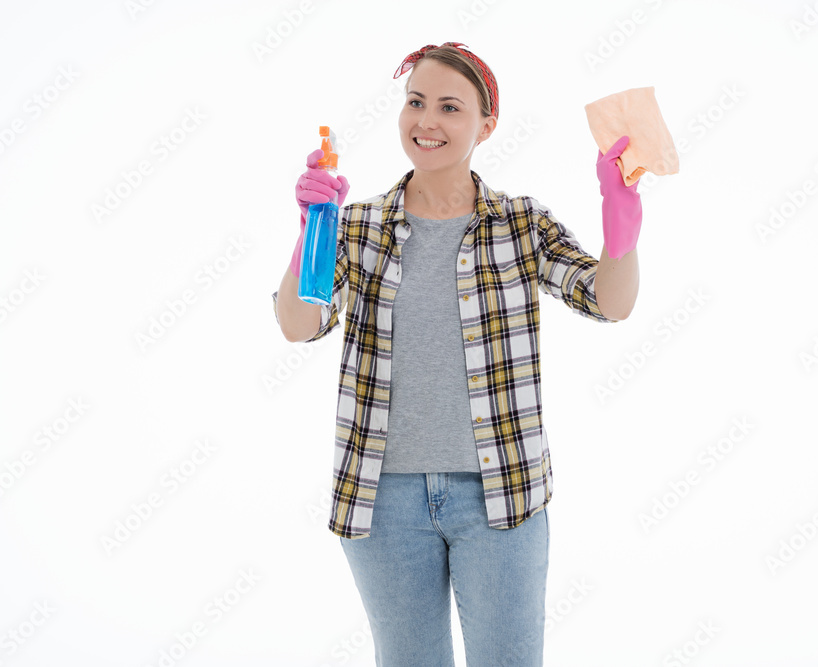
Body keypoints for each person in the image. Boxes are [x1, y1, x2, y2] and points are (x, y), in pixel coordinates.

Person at [272, 41, 641, 667]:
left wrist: (621, 221)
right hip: (382, 500)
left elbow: (608, 301)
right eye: (416, 103)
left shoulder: (521, 225)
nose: (427, 122)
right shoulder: (359, 226)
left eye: (449, 107)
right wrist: (315, 231)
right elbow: (298, 323)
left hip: (501, 494)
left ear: (485, 124)